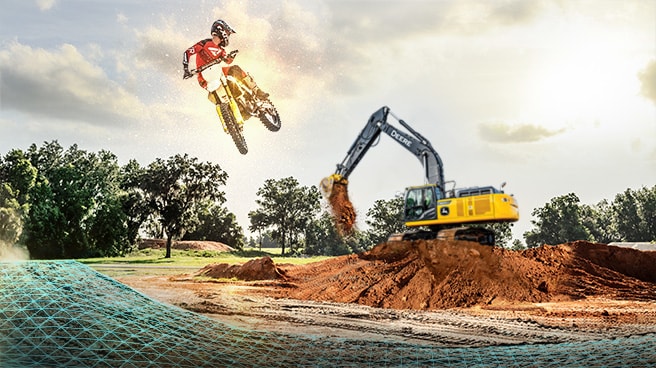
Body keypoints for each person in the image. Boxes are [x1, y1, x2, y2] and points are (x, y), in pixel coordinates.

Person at [182, 19, 268, 99]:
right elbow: (187, 52)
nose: (228, 36)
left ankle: (256, 90)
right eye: (227, 33)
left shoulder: (221, 50)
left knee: (235, 69)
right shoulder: (205, 43)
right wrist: (186, 69)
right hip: (205, 76)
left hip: (217, 73)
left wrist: (231, 57)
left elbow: (227, 61)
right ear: (221, 30)